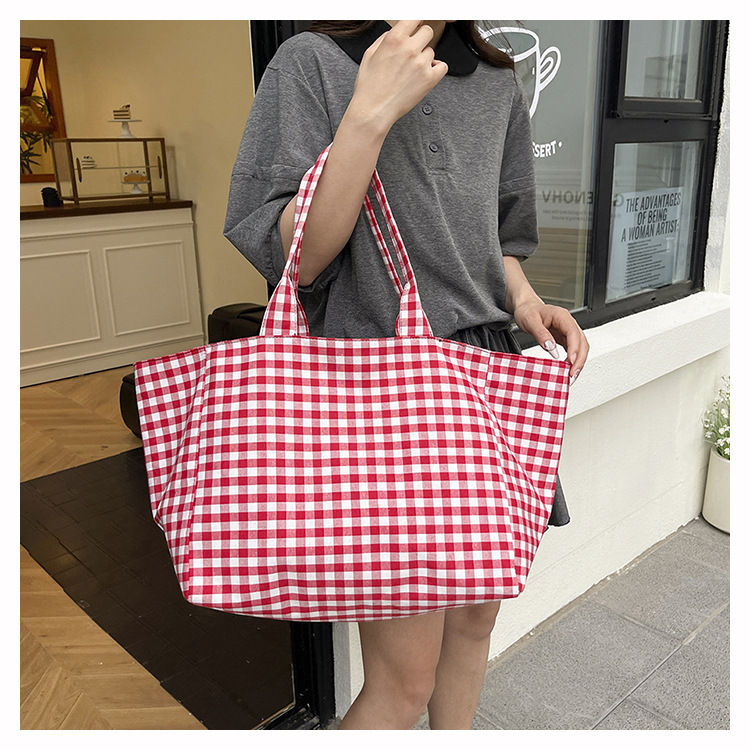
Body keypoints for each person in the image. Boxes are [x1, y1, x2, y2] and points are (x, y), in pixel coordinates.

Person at [224, 20, 589, 731]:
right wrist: (369, 112)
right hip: (377, 390)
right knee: (402, 683)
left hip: (482, 380)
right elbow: (296, 260)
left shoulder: (495, 80)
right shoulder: (314, 63)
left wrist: (525, 301)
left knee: (474, 628)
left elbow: (498, 241)